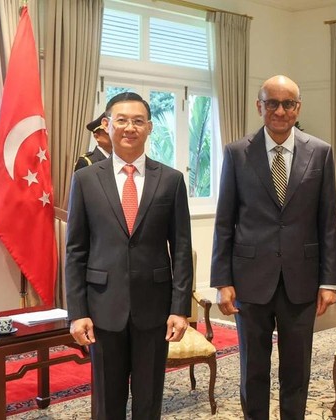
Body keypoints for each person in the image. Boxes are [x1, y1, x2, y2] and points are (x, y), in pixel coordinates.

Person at [211, 75, 336, 420]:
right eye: (272, 103)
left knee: (296, 370)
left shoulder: (321, 152)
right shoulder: (238, 153)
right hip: (249, 281)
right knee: (253, 370)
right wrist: (222, 281)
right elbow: (225, 221)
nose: (280, 111)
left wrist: (329, 281)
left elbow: (327, 222)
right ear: (260, 106)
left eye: (288, 104)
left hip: (301, 280)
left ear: (298, 108)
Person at [66, 92, 193, 419]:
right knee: (107, 402)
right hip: (102, 308)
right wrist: (77, 312)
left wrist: (180, 309)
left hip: (154, 310)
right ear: (107, 125)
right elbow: (76, 251)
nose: (130, 127)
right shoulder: (85, 180)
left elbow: (180, 249)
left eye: (138, 121)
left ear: (149, 128)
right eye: (121, 120)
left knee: (149, 400)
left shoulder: (171, 180)